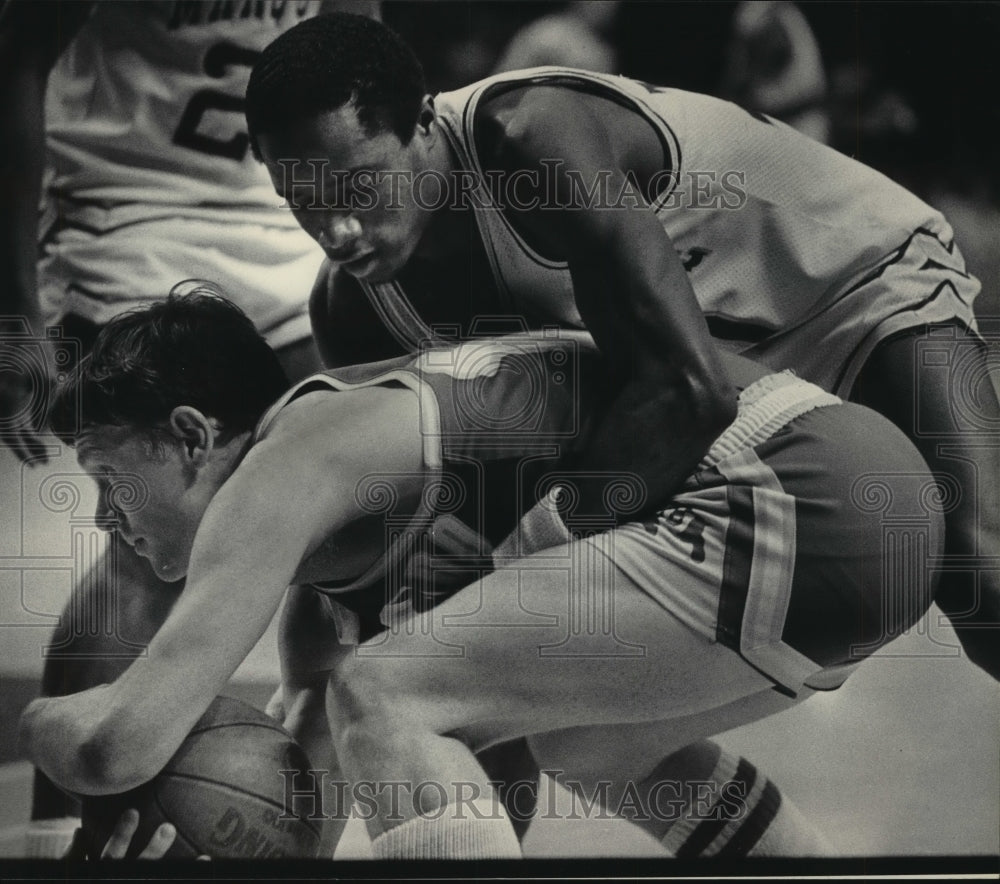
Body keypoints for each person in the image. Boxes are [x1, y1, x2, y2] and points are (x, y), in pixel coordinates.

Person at [19, 291, 941, 859]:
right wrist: (211, 836)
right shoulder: (328, 583)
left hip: (801, 481)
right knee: (589, 746)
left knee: (383, 690)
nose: (105, 517)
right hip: (865, 521)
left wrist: (38, 723)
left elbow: (115, 744)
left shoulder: (298, 456)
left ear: (190, 435)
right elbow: (335, 800)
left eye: (108, 476)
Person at [244, 13, 998, 682]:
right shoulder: (351, 310)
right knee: (495, 685)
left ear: (423, 124)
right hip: (723, 372)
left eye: (358, 187)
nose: (336, 231)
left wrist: (504, 570)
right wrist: (318, 677)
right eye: (303, 201)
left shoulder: (533, 138)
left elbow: (686, 394)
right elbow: (409, 519)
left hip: (851, 286)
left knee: (980, 577)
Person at [0, 0, 377, 856]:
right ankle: (74, 830)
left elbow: (362, 48)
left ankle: (300, 844)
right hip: (129, 220)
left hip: (288, 224)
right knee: (150, 549)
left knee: (336, 534)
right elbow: (16, 56)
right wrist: (13, 307)